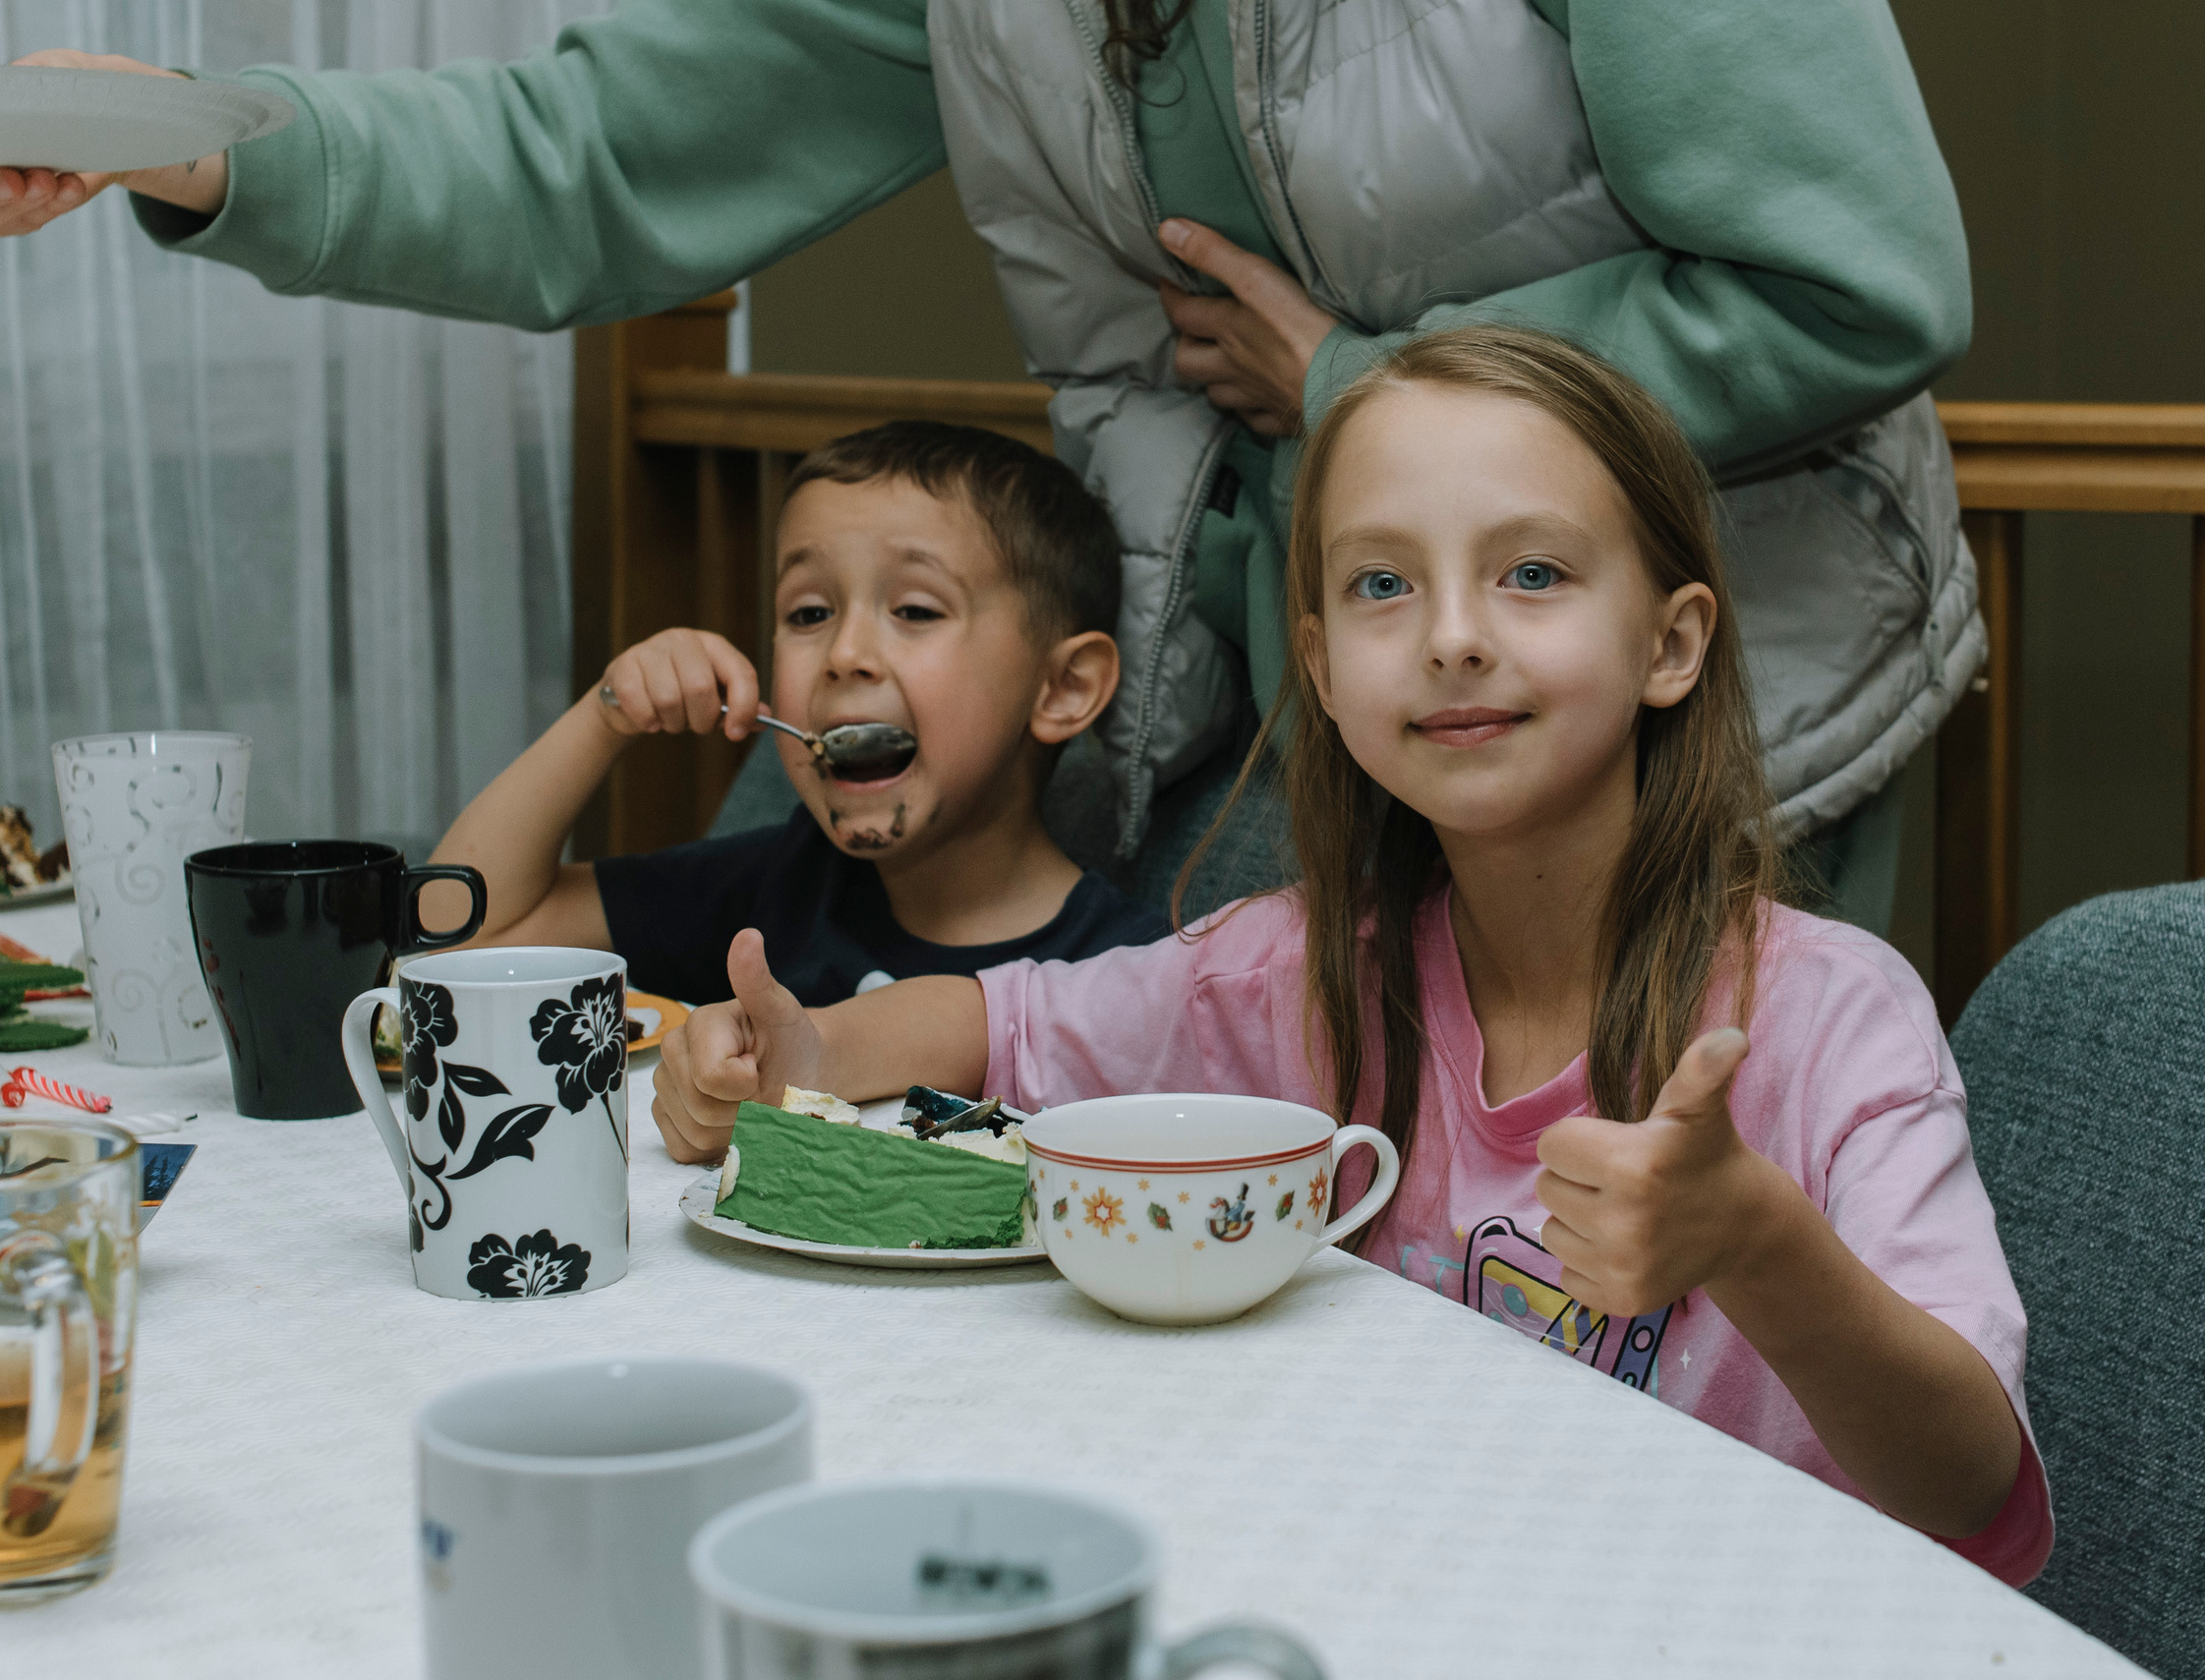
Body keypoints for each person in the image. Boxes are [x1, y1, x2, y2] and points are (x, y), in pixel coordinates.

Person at [3, 2, 1976, 933]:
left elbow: (1847, 274)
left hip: (1643, 715)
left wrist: (1364, 386)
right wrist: (175, 123)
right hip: (1236, 725)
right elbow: (576, 159)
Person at [648, 327, 2052, 1584]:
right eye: (1384, 583)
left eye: (1534, 573)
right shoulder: (1290, 973)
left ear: (1671, 643)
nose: (1450, 638)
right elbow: (1002, 1027)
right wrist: (817, 1052)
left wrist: (1756, 1240)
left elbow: (1969, 1476)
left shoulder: (1831, 1017)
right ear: (1320, 668)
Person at [427, 421, 1169, 1005]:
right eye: (809, 612)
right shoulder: (773, 892)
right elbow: (451, 940)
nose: (844, 652)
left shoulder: (1134, 975)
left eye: (914, 608)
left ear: (1063, 687)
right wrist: (605, 716)